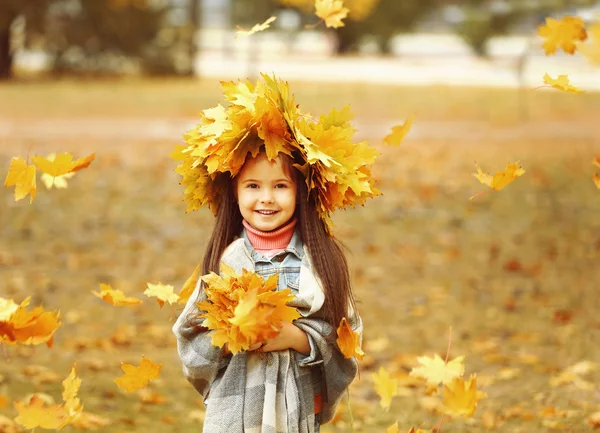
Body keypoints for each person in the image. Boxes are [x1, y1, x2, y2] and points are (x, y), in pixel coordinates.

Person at [171, 74, 379, 433]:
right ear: (233, 193)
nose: (266, 198)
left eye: (280, 186)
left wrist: (297, 338)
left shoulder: (320, 263)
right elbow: (191, 340)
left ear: (301, 192)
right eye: (253, 186)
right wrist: (230, 335)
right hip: (234, 415)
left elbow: (346, 340)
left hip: (295, 413)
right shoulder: (224, 263)